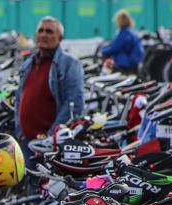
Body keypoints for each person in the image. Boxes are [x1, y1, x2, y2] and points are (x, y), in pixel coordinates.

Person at [14, 16, 84, 166]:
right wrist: (19, 132)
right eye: (40, 31)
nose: (44, 35)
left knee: (42, 188)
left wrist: (49, 137)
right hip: (26, 142)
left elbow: (74, 104)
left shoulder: (69, 64)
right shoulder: (28, 63)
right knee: (26, 187)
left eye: (49, 31)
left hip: (49, 146)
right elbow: (19, 98)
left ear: (60, 38)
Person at [100, 10, 143, 75]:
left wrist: (103, 51)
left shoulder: (124, 34)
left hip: (124, 64)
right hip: (133, 63)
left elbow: (115, 48)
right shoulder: (131, 32)